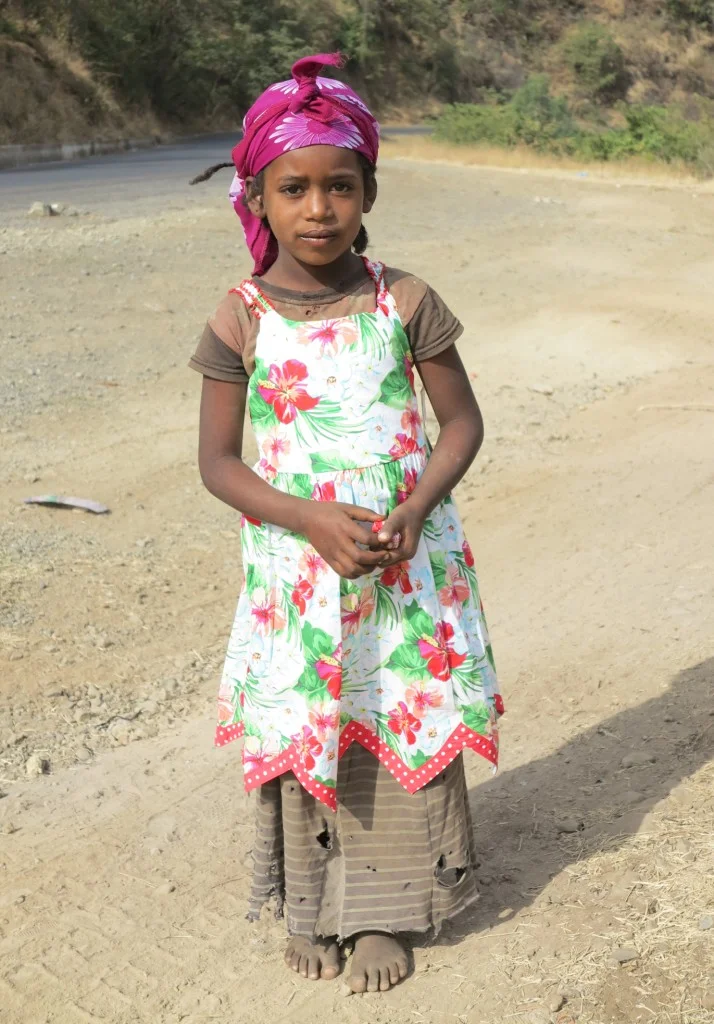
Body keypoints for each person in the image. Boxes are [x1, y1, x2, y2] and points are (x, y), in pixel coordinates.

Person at [189, 52, 503, 994]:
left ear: (369, 192)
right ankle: (312, 908)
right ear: (257, 195)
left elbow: (461, 423)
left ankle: (381, 914)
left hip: (406, 566)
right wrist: (307, 519)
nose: (319, 208)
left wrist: (414, 508)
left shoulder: (405, 302)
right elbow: (217, 463)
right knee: (310, 722)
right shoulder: (240, 317)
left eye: (340, 186)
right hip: (298, 571)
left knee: (394, 713)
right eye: (295, 189)